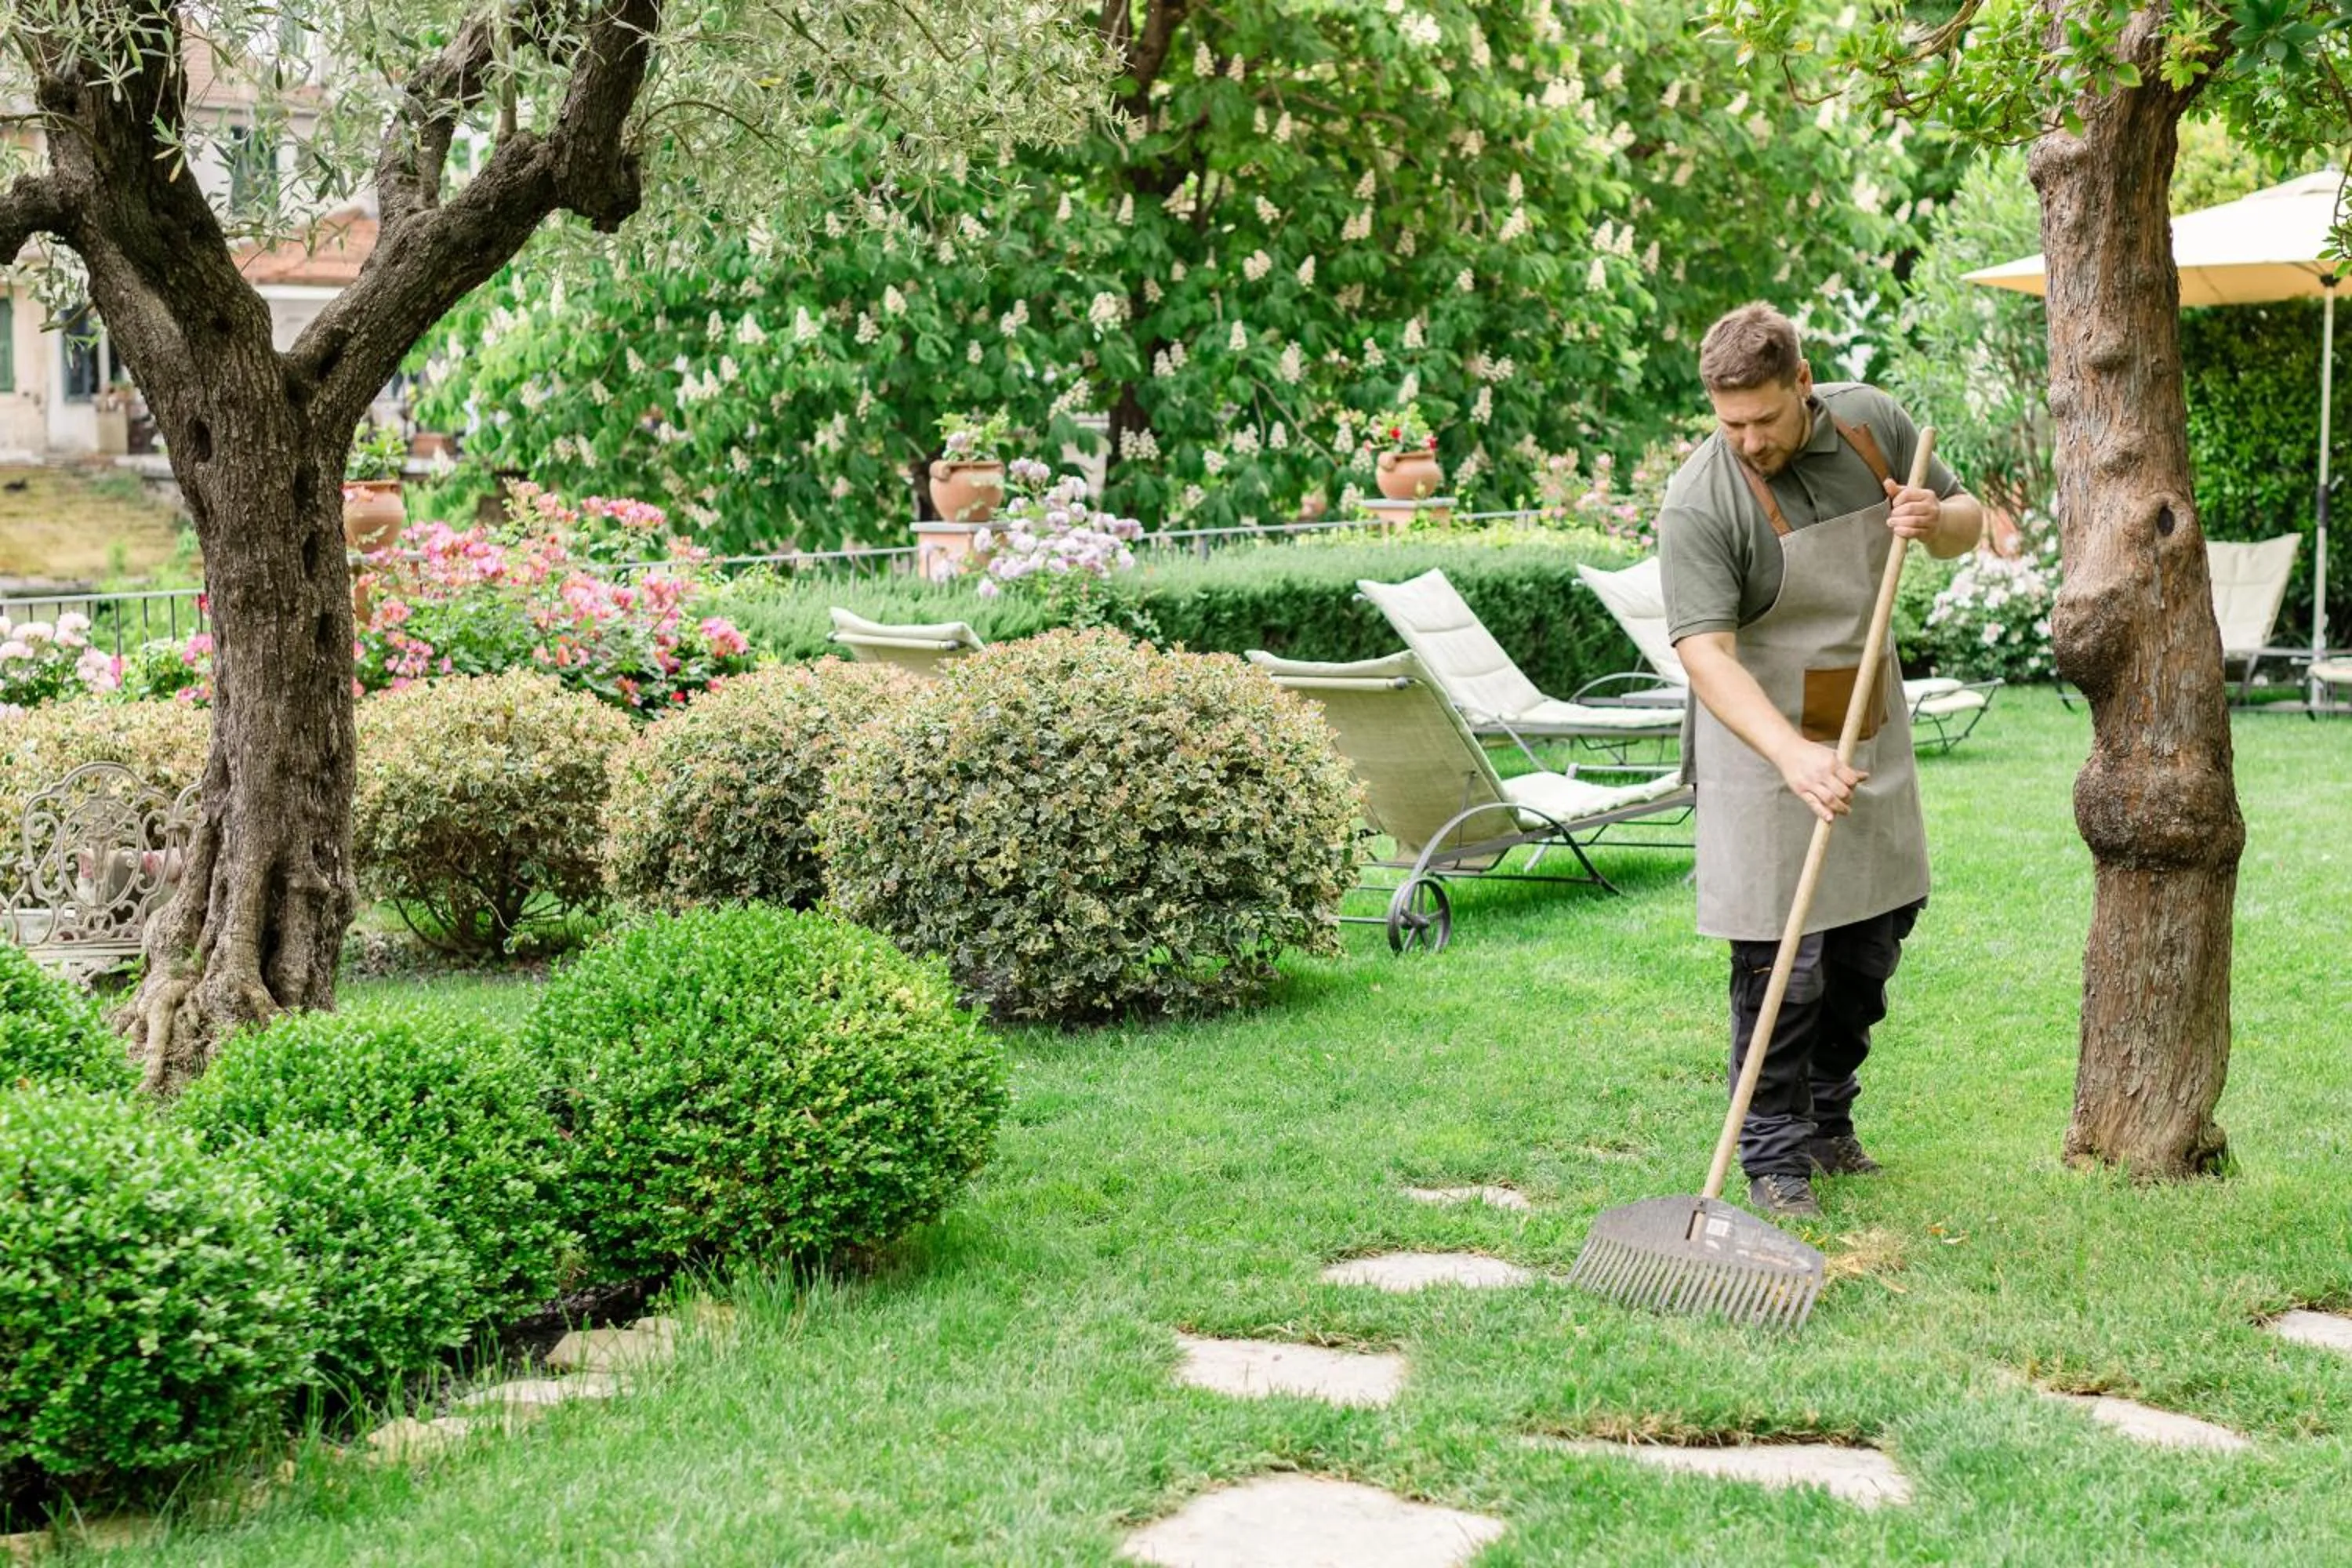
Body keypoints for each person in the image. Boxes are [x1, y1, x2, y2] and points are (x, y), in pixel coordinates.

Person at [1657, 303, 1983, 1219]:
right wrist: (1792, 755)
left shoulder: (1871, 424)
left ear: (1803, 383)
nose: (1750, 441)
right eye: (1731, 423)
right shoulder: (1701, 501)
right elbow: (1704, 654)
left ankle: (1829, 1123)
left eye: (1765, 418)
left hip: (1864, 724)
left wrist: (1935, 517)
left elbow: (1968, 519)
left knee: (1871, 944)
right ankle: (1773, 1157)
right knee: (1783, 966)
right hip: (1762, 745)